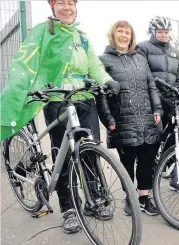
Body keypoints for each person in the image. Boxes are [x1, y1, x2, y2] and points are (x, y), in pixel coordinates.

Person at [1, 0, 119, 234]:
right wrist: (22, 89)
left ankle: (92, 200)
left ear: (76, 7)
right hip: (57, 100)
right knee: (63, 156)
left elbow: (94, 65)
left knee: (89, 152)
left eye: (70, 3)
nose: (67, 7)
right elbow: (24, 63)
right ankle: (69, 209)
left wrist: (106, 81)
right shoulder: (42, 32)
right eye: (61, 3)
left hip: (84, 99)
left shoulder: (82, 37)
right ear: (53, 7)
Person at [96, 20, 163, 216]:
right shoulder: (104, 60)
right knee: (128, 162)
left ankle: (144, 198)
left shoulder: (140, 59)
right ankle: (130, 198)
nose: (124, 35)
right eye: (120, 31)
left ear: (131, 36)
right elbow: (100, 93)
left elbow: (151, 84)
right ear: (113, 34)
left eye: (127, 32)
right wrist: (107, 118)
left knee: (147, 160)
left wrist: (157, 109)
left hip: (147, 117)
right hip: (122, 119)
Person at [136, 16, 179, 194]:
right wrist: (156, 94)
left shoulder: (176, 52)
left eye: (166, 32)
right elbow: (144, 74)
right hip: (152, 102)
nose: (164, 35)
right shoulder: (142, 48)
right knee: (152, 143)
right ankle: (146, 184)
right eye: (160, 32)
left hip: (171, 101)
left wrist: (176, 91)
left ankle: (174, 175)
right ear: (153, 32)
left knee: (177, 139)